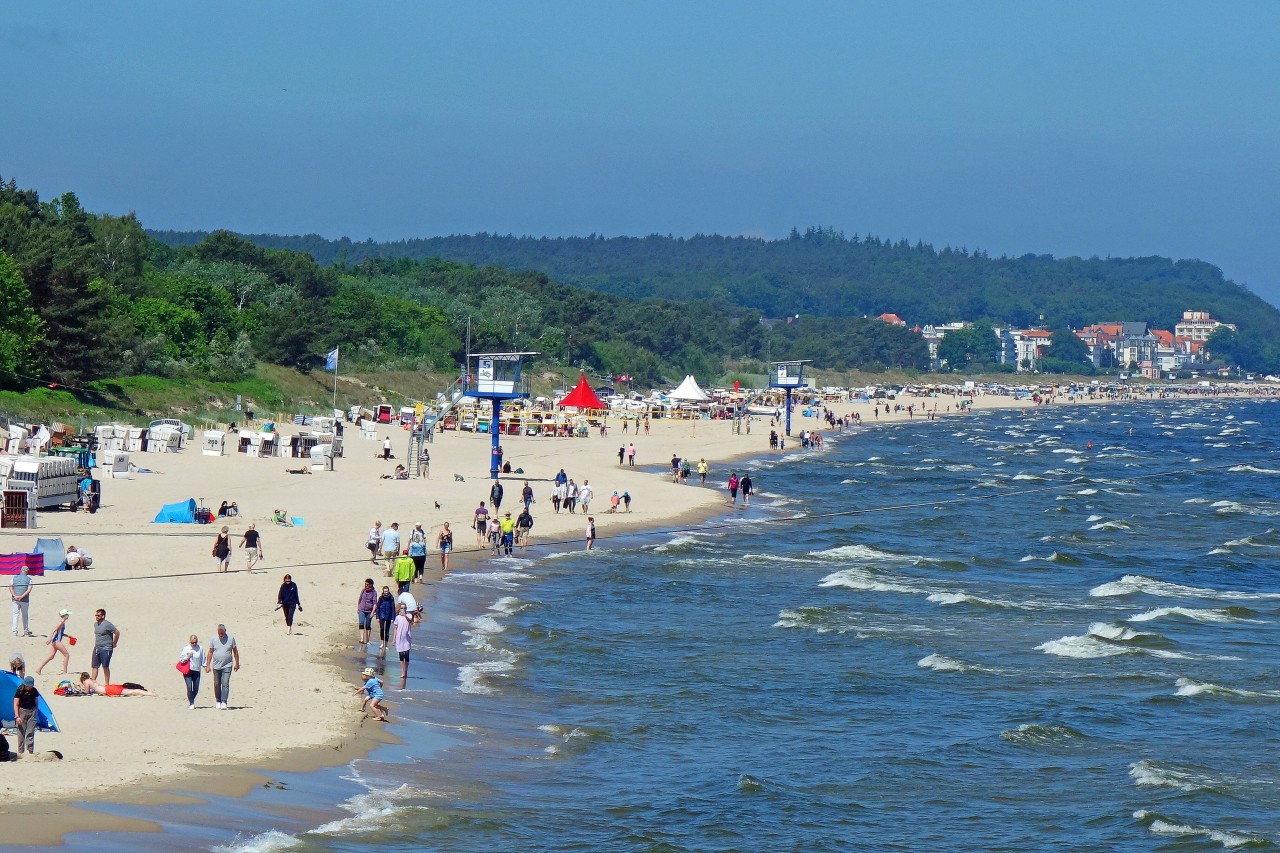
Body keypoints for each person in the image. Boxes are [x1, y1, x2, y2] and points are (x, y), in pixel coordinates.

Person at [204, 624, 239, 709]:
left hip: (227, 665)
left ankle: (224, 701)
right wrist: (207, 664)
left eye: (222, 633)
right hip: (216, 666)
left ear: (225, 631)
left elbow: (235, 652)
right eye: (219, 633)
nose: (220, 635)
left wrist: (237, 663)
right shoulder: (213, 639)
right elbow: (210, 652)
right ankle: (218, 700)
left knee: (225, 683)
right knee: (216, 684)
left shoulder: (231, 639)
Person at [34, 609, 71, 675]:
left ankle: (38, 669)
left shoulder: (62, 622)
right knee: (66, 655)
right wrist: (49, 638)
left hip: (55, 641)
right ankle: (65, 672)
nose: (68, 616)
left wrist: (67, 636)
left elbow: (60, 632)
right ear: (65, 615)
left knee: (51, 656)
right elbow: (54, 630)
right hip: (56, 641)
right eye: (67, 615)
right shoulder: (61, 622)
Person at [91, 608, 120, 687]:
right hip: (97, 647)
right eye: (96, 615)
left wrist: (114, 643)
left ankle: (107, 684)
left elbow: (117, 632)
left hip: (106, 648)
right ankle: (93, 682)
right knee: (94, 666)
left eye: (98, 615)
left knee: (105, 666)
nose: (96, 617)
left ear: (103, 616)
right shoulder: (95, 624)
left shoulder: (107, 624)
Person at [13, 674, 39, 755]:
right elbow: (16, 704)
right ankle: (21, 751)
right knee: (21, 732)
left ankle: (30, 751)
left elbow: (36, 702)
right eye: (28, 685)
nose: (29, 687)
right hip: (22, 711)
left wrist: (35, 713)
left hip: (32, 711)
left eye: (30, 686)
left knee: (30, 732)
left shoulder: (34, 691)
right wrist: (17, 716)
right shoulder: (19, 690)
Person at [78, 672, 155, 697]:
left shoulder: (86, 681)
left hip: (108, 690)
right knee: (128, 690)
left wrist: (81, 689)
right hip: (108, 687)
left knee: (129, 692)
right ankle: (146, 692)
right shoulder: (92, 680)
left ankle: (148, 693)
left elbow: (87, 692)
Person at [179, 634, 203, 708]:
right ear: (190, 642)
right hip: (188, 671)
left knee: (196, 688)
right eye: (193, 642)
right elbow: (181, 660)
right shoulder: (186, 648)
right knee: (189, 687)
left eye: (195, 642)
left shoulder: (200, 648)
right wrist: (187, 656)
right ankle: (191, 703)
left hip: (197, 670)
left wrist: (206, 666)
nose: (194, 644)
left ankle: (191, 699)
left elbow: (202, 658)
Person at [392, 603, 412, 689]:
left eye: (404, 608)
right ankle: (402, 672)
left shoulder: (409, 615)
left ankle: (406, 671)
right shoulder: (397, 617)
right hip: (399, 638)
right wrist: (394, 638)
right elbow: (395, 629)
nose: (402, 610)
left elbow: (411, 621)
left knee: (406, 655)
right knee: (401, 655)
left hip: (407, 638)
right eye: (401, 608)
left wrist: (405, 615)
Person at [10, 565, 32, 637]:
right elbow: (28, 590)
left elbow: (10, 587)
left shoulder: (14, 578)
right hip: (24, 600)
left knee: (15, 615)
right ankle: (25, 630)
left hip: (15, 599)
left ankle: (14, 631)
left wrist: (15, 596)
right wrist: (21, 596)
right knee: (25, 615)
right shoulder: (29, 579)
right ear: (26, 571)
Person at [375, 585, 396, 654]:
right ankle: (382, 643)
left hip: (389, 616)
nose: (386, 592)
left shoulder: (391, 598)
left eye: (387, 591)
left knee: (387, 630)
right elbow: (377, 608)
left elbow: (393, 608)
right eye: (385, 591)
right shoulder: (381, 598)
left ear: (388, 591)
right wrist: (377, 617)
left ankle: (386, 644)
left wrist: (393, 618)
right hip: (382, 616)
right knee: (381, 629)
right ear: (383, 591)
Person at [357, 578, 376, 646]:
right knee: (361, 622)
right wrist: (358, 608)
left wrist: (373, 612)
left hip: (369, 611)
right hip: (362, 609)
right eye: (365, 584)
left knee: (368, 625)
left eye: (367, 584)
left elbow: (375, 603)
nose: (366, 585)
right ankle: (362, 638)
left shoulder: (374, 592)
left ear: (371, 585)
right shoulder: (363, 591)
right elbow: (360, 599)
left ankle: (367, 640)